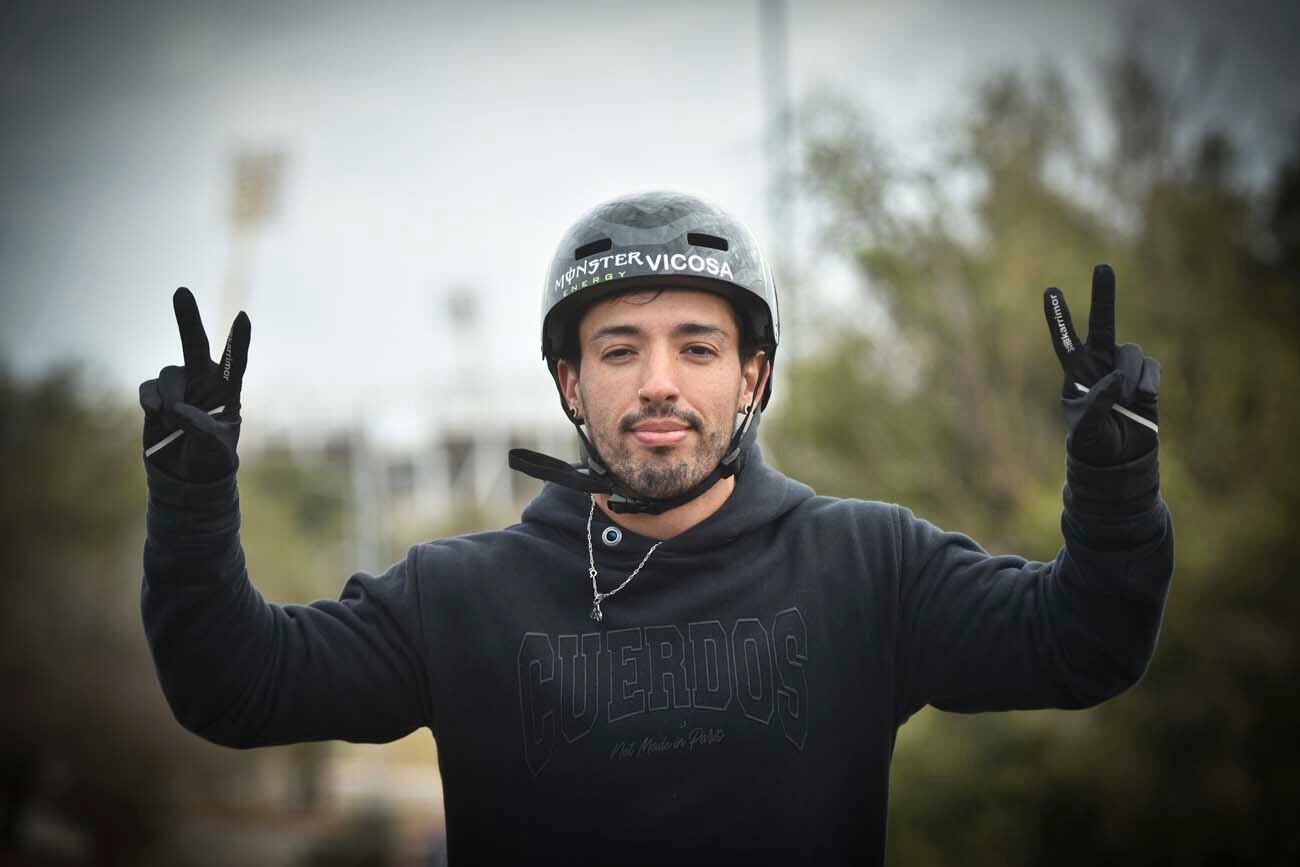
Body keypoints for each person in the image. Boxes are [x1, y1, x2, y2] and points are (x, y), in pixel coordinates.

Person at [139, 191, 1173, 865]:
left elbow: (1084, 647)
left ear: (753, 375)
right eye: (620, 349)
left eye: (698, 346)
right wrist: (191, 501)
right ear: (568, 382)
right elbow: (232, 683)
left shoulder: (869, 566)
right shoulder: (458, 598)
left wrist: (1115, 481)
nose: (660, 383)